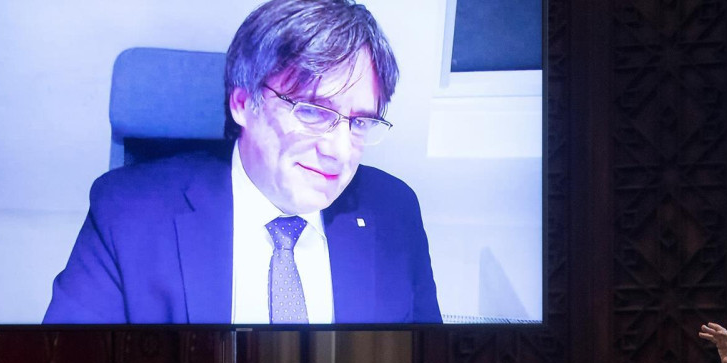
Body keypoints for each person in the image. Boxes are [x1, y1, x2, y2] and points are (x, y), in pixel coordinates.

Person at [44, 0, 441, 324]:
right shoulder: (127, 213)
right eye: (312, 111)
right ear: (243, 103)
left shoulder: (395, 211)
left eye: (359, 122)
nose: (339, 150)